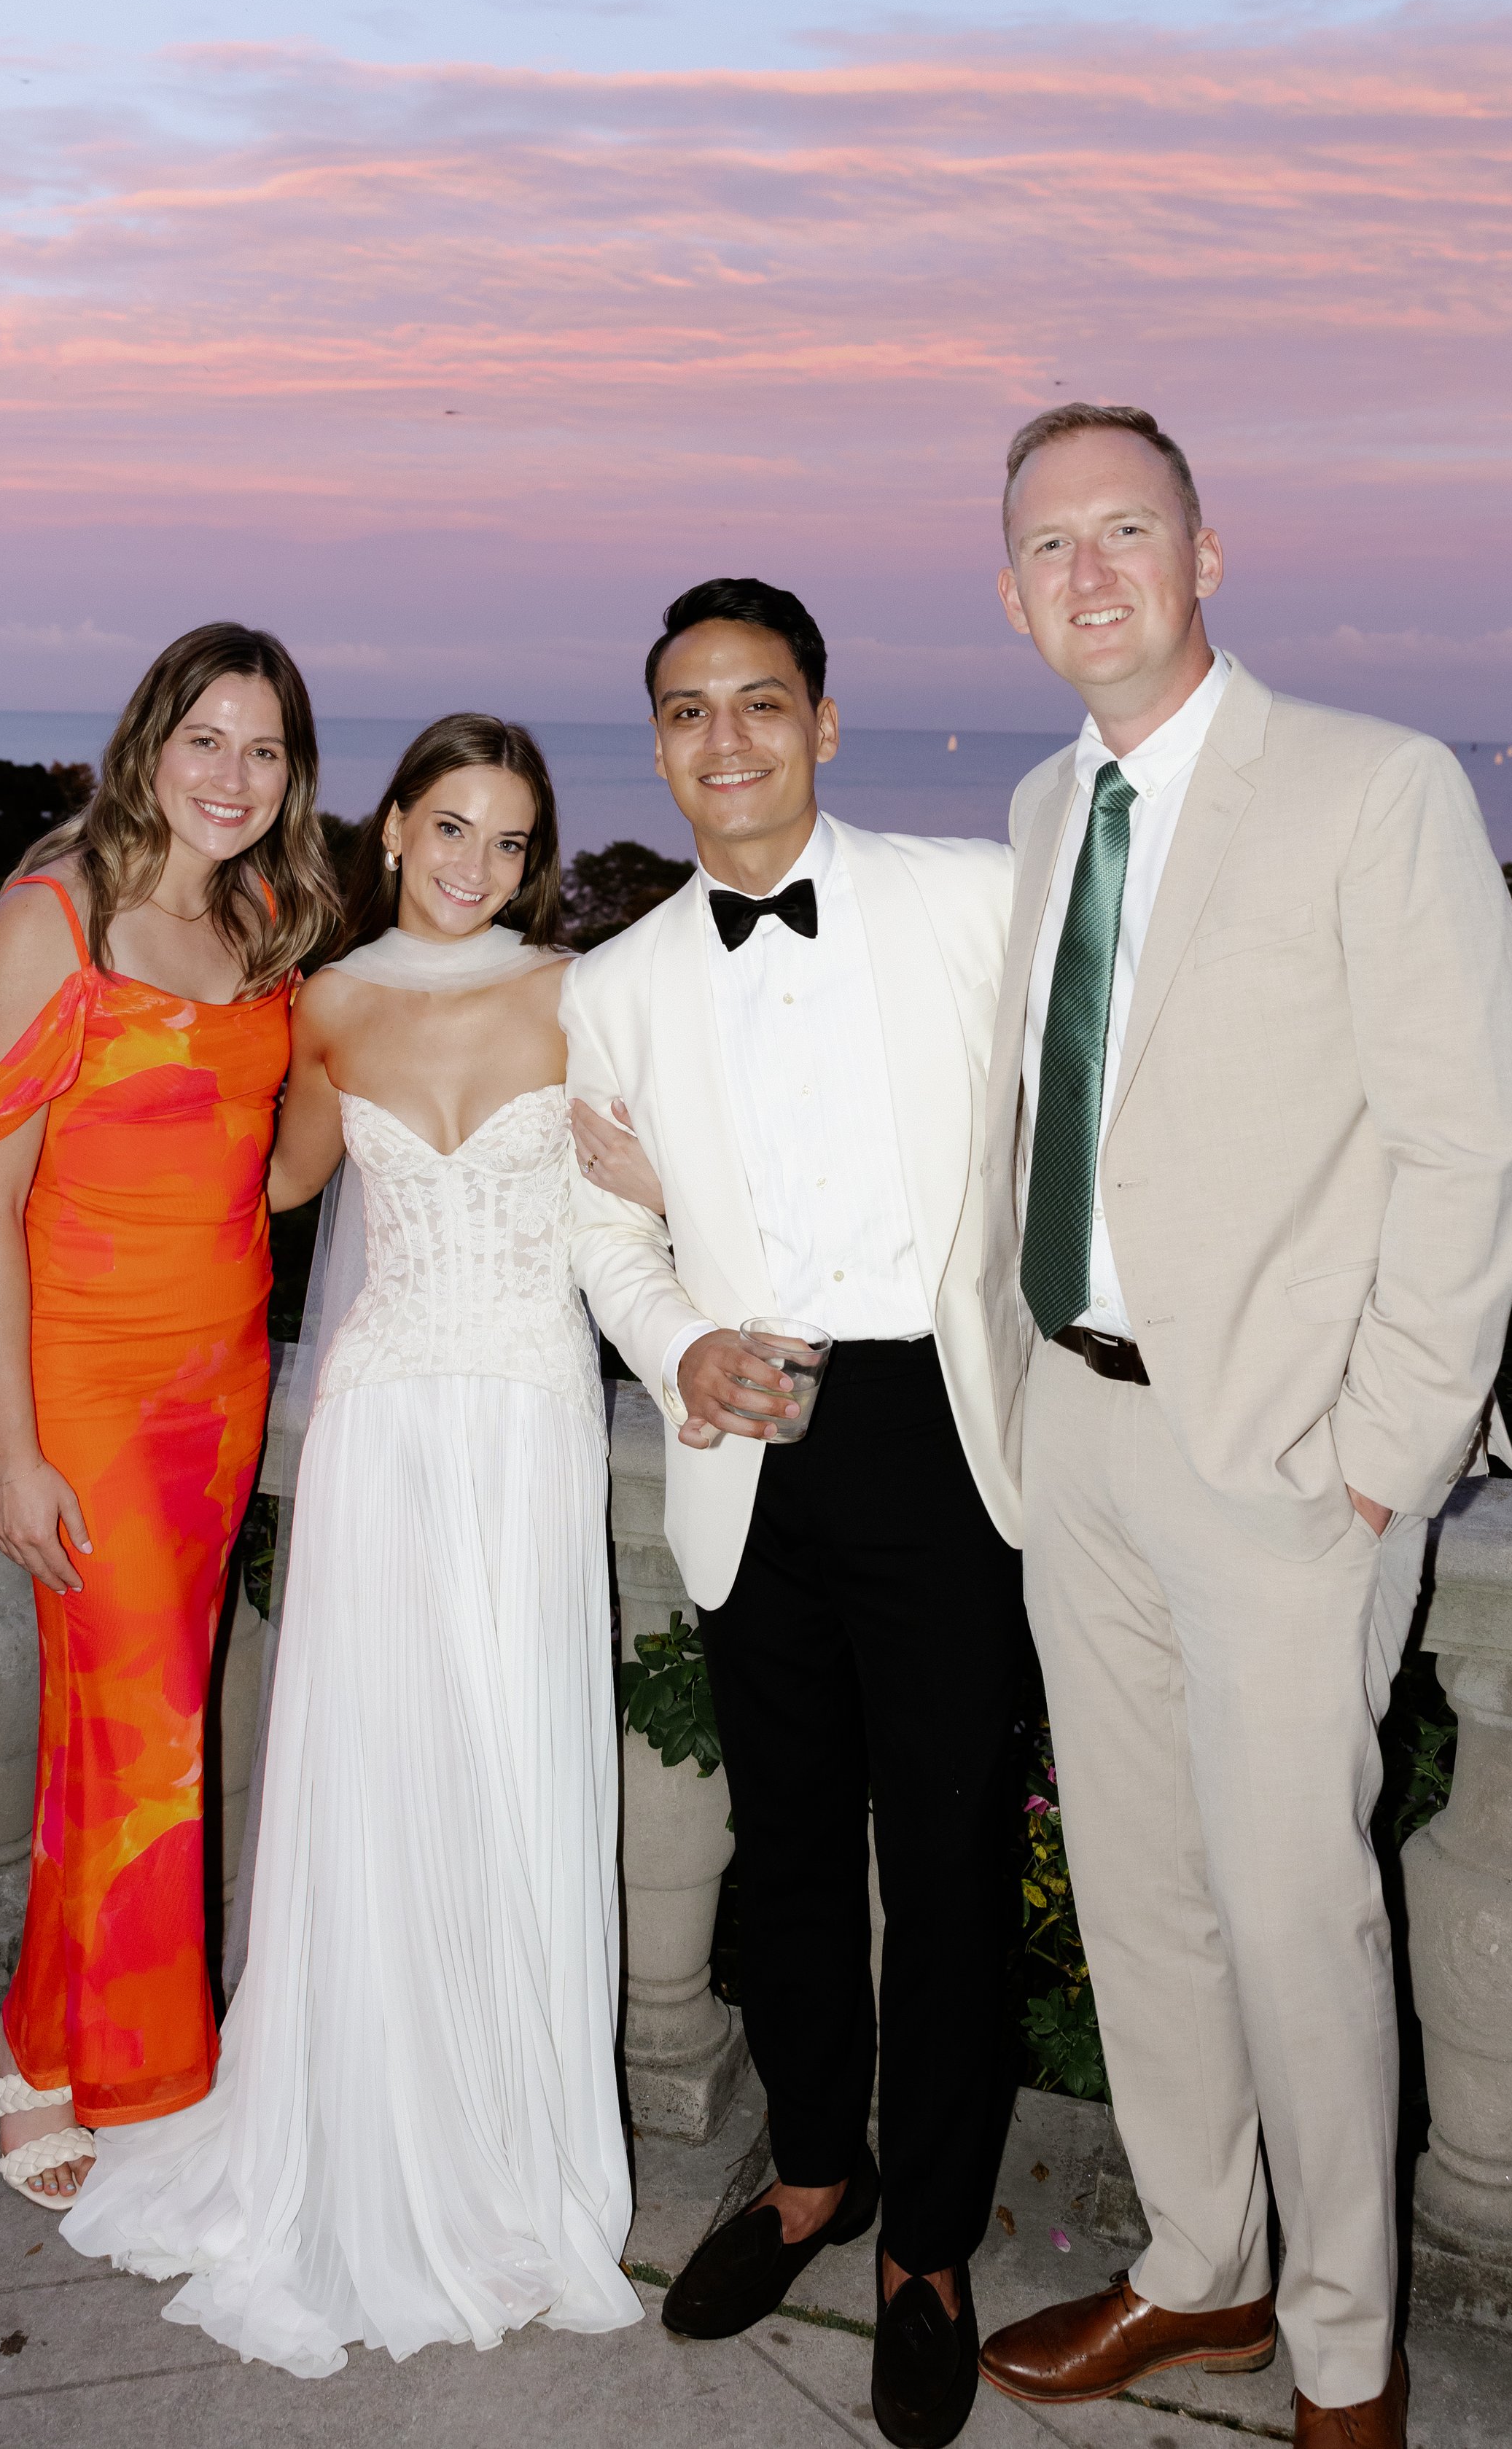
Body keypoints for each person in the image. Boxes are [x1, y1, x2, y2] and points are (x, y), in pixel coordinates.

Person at [972, 405, 1512, 2449]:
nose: (1090, 571)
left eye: (1126, 528)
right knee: (1139, 1894)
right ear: (1011, 593)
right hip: (1078, 1432)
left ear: (1206, 553)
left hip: (1285, 1462)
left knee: (1300, 1916)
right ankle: (1199, 2267)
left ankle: (1344, 2355)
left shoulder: (1371, 787)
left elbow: (1467, 1143)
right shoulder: (1040, 807)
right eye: (1050, 544)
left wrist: (1377, 1455)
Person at [64, 715, 657, 2372]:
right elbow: (261, 1192)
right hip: (383, 1419)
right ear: (391, 828)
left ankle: (507, 2153)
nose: (478, 865)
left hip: (531, 1421)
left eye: (510, 840)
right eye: (451, 827)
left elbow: (635, 1202)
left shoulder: (580, 996)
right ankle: (362, 2137)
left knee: (513, 1762)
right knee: (381, 1764)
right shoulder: (321, 1002)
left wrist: (663, 1179)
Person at [564, 580, 1029, 2449]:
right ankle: (814, 2170)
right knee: (783, 1846)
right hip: (742, 1441)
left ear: (823, 725)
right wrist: (675, 1343)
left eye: (760, 701)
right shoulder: (611, 985)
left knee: (949, 1857)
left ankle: (928, 2246)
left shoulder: (971, 897)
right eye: (688, 709)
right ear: (657, 743)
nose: (726, 738)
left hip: (942, 1432)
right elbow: (605, 1227)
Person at [0, 623, 342, 2207]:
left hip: (220, 1380)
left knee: (148, 1731)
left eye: (265, 749)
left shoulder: (262, 921)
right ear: (147, 744)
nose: (234, 775)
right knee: (128, 1730)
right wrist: (12, 1451)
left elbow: (274, 1175)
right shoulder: (51, 923)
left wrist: (397, 1070)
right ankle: (56, 2054)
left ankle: (82, 2043)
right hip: (88, 1388)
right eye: (206, 740)